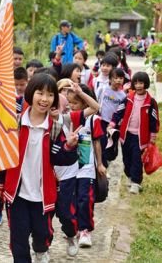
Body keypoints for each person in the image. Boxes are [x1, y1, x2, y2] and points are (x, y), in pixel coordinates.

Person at [0, 73, 79, 263]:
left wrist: (70, 147)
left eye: (49, 95)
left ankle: (41, 249)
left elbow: (62, 159)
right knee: (19, 240)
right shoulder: (14, 123)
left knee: (42, 233)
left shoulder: (55, 128)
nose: (44, 99)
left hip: (43, 195)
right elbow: (3, 157)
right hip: (16, 194)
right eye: (40, 93)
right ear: (31, 94)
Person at [53, 82, 100, 256]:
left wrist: (81, 92)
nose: (69, 108)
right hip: (54, 173)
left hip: (77, 170)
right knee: (53, 211)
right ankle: (44, 245)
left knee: (76, 203)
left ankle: (78, 232)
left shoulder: (70, 118)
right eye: (67, 105)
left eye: (70, 105)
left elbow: (95, 107)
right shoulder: (43, 122)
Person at [65, 84, 106, 248]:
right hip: (69, 168)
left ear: (83, 103)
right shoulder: (68, 118)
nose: (71, 106)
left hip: (86, 168)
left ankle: (85, 230)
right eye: (69, 103)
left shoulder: (93, 119)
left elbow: (97, 142)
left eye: (74, 103)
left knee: (85, 199)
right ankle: (73, 228)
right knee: (70, 200)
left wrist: (100, 164)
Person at [108, 72, 160, 194]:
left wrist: (153, 135)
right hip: (126, 135)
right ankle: (130, 177)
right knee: (127, 159)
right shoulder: (128, 98)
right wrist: (112, 123)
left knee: (137, 159)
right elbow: (118, 112)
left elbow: (154, 120)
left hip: (140, 137)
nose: (138, 86)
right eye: (136, 83)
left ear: (145, 84)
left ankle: (136, 182)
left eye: (141, 83)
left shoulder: (151, 102)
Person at [96, 68, 127, 167]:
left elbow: (122, 111)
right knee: (102, 143)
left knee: (112, 149)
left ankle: (107, 161)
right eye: (116, 78)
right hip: (102, 121)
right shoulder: (103, 89)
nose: (118, 80)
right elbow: (96, 101)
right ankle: (102, 166)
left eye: (121, 78)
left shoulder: (123, 96)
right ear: (110, 79)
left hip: (114, 125)